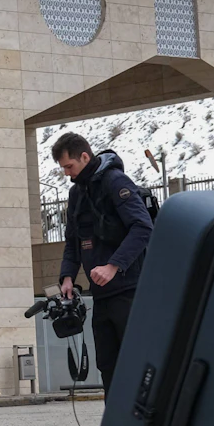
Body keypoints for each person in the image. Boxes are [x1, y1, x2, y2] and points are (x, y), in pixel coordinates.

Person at [53, 133, 154, 393]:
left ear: (84, 157)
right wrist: (67, 277)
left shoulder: (115, 181)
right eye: (63, 168)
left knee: (136, 363)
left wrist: (113, 266)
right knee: (107, 365)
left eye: (69, 166)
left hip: (130, 291)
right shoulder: (76, 193)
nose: (66, 173)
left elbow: (143, 227)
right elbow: (73, 241)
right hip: (101, 297)